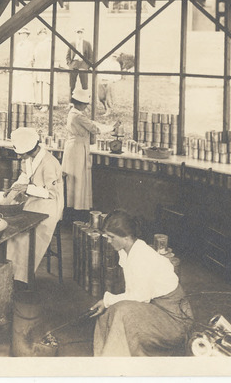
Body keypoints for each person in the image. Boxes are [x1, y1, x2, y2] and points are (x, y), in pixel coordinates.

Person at [90, 210, 192, 356]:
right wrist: (107, 303)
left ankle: (116, 365)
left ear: (126, 237)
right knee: (108, 313)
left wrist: (107, 300)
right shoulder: (126, 251)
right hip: (155, 308)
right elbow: (135, 293)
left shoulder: (141, 256)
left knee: (122, 312)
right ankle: (104, 358)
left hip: (175, 320)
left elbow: (140, 297)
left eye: (111, 237)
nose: (109, 241)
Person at [5, 127, 64, 289]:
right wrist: (14, 188)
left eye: (20, 152)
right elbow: (24, 176)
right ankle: (14, 274)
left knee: (25, 236)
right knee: (14, 233)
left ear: (28, 149)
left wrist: (27, 189)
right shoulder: (30, 159)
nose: (18, 156)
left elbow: (52, 194)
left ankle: (23, 278)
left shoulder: (49, 163)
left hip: (50, 206)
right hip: (35, 201)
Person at [61, 87, 98, 214]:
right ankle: (76, 211)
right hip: (77, 150)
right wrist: (111, 128)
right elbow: (94, 127)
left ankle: (74, 209)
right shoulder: (77, 116)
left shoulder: (74, 113)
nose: (86, 106)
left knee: (76, 179)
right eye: (84, 104)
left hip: (75, 148)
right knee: (78, 179)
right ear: (79, 103)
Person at [33, 27, 57, 110]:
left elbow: (50, 57)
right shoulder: (39, 44)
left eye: (42, 34)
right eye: (39, 34)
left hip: (46, 67)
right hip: (39, 66)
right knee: (40, 85)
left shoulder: (49, 43)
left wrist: (47, 67)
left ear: (45, 34)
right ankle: (41, 102)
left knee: (46, 86)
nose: (41, 36)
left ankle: (46, 104)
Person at [66, 27, 92, 95]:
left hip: (83, 65)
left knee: (85, 85)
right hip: (74, 64)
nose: (79, 34)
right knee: (72, 85)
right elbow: (68, 56)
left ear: (83, 34)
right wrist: (70, 64)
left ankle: (85, 101)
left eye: (81, 33)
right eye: (78, 33)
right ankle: (71, 102)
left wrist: (87, 66)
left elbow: (91, 56)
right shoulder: (72, 43)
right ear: (76, 34)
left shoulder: (87, 43)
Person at [12, 28, 35, 104]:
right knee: (18, 82)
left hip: (26, 66)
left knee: (26, 82)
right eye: (21, 34)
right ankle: (18, 99)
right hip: (18, 65)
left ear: (27, 35)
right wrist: (16, 65)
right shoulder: (18, 45)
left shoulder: (30, 44)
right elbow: (16, 56)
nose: (22, 36)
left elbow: (31, 56)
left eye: (24, 34)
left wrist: (25, 64)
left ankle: (27, 100)